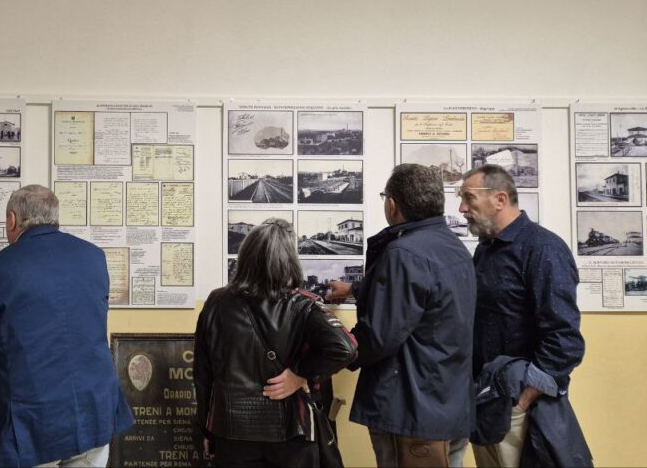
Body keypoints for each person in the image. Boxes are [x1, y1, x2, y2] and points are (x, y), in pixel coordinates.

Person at [0, 185, 133, 467]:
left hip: (29, 430)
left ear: (12, 220)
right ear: (54, 217)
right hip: (94, 414)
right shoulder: (93, 257)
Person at [327, 164, 475, 468]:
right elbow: (425, 298)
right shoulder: (453, 246)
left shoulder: (403, 254)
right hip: (449, 403)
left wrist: (335, 353)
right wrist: (356, 289)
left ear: (392, 205)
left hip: (410, 410)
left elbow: (380, 335)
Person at [195, 218, 357, 468]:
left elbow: (202, 374)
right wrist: (300, 374)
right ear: (289, 259)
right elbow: (346, 348)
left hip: (230, 430)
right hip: (291, 430)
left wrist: (205, 430)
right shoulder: (303, 304)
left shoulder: (216, 302)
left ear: (245, 255)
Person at [457, 165, 589, 468]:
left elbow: (564, 338)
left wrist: (524, 399)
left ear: (500, 199)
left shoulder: (543, 248)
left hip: (517, 404)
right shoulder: (487, 248)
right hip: (485, 398)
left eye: (468, 198)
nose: (462, 208)